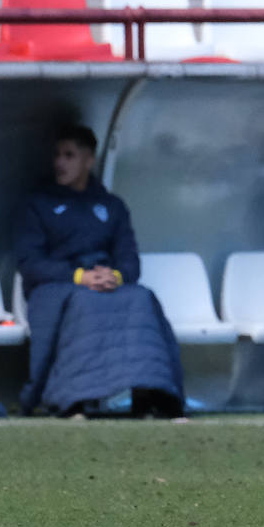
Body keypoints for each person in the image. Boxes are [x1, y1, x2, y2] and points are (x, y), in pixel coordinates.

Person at [15, 125, 185, 418]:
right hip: (56, 287)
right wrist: (80, 277)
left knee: (141, 298)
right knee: (84, 301)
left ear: (89, 160)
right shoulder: (37, 204)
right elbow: (30, 263)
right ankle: (71, 401)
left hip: (104, 284)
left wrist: (114, 277)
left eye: (69, 155)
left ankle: (154, 395)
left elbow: (130, 262)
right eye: (57, 155)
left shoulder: (111, 206)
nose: (60, 163)